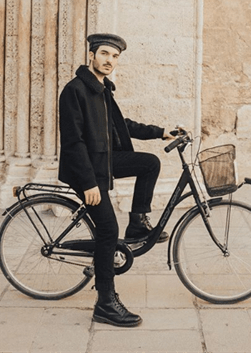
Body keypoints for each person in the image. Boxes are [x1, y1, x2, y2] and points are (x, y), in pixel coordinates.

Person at [58, 33, 174, 328]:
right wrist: (88, 184)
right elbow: (73, 143)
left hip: (104, 162)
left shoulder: (102, 90)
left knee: (149, 163)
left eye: (115, 56)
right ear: (92, 55)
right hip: (87, 170)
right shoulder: (75, 91)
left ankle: (138, 222)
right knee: (109, 229)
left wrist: (160, 132)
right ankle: (105, 303)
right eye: (105, 54)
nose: (110, 60)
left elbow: (125, 126)